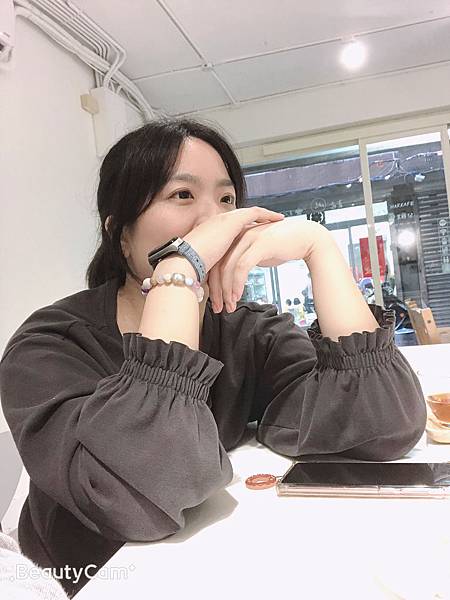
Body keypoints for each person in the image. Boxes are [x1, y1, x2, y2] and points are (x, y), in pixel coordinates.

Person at [0, 119, 426, 597]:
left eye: (226, 200)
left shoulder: (246, 328)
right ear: (121, 234)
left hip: (212, 568)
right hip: (81, 582)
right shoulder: (50, 344)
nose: (215, 221)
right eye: (182, 195)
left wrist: (320, 249)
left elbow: (382, 426)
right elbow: (138, 496)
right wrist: (178, 270)